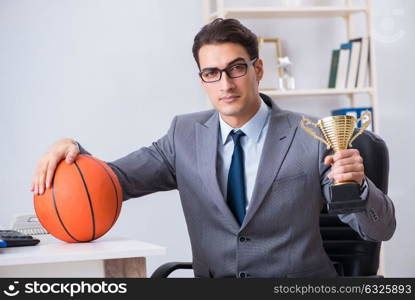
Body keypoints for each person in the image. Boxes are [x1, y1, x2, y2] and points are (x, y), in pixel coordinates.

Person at [31, 18, 396, 278]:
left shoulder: (312, 136)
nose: (225, 83)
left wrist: (359, 188)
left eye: (236, 68)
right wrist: (74, 151)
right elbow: (114, 181)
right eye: (212, 73)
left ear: (258, 70)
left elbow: (378, 230)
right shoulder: (183, 135)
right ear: (202, 79)